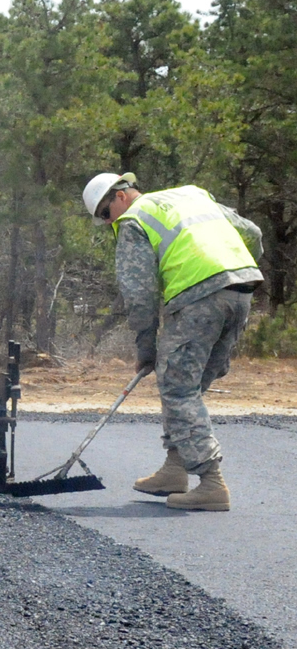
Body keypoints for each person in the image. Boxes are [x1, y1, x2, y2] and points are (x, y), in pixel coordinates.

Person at [84, 171, 263, 511]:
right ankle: (175, 469)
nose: (108, 223)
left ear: (120, 196)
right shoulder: (191, 195)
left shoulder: (134, 220)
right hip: (241, 290)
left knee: (178, 388)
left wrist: (146, 347)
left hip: (201, 296)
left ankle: (211, 484)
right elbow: (252, 232)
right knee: (185, 386)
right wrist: (239, 269)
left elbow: (139, 294)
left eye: (105, 215)